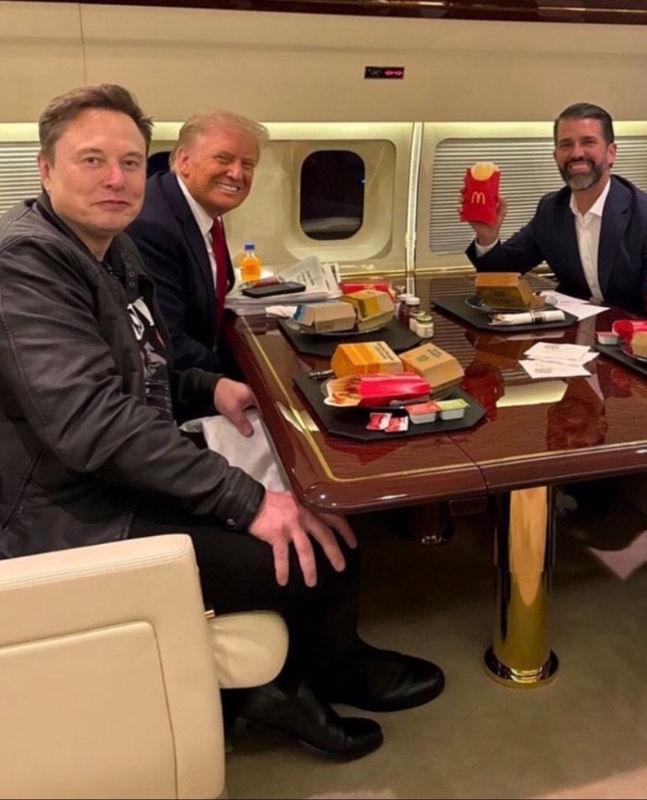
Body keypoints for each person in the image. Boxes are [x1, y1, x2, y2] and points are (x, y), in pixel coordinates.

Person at [0, 84, 443, 761]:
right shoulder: (24, 263)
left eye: (127, 161)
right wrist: (245, 500)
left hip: (109, 478)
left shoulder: (108, 251)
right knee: (299, 546)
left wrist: (209, 389)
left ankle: (331, 663)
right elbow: (92, 420)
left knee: (327, 520)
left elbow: (137, 372)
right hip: (66, 513)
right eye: (92, 160)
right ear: (46, 168)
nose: (116, 178)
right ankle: (283, 694)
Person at [464, 102, 647, 316]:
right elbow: (503, 275)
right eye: (566, 145)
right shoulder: (551, 209)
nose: (576, 153)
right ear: (556, 157)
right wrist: (488, 236)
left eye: (588, 142)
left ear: (611, 153)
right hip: (571, 333)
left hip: (628, 337)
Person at [127, 110, 265, 372]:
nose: (236, 174)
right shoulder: (154, 227)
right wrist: (246, 376)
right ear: (184, 161)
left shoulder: (205, 212)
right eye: (223, 159)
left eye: (247, 164)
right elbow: (168, 344)